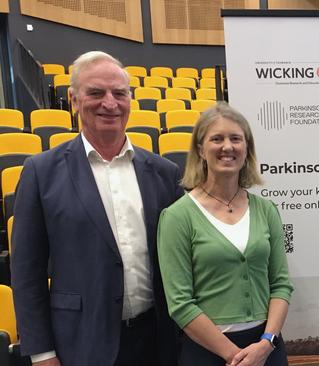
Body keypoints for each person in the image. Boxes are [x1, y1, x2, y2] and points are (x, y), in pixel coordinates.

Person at [10, 51, 184, 366]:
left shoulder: (164, 172)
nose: (110, 103)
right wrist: (42, 353)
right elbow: (27, 272)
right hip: (81, 343)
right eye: (96, 93)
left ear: (130, 100)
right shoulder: (41, 172)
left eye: (119, 93)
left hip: (157, 340)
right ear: (74, 100)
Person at [157, 102, 294, 366]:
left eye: (236, 139)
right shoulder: (177, 216)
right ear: (200, 149)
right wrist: (236, 357)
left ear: (246, 149)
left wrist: (265, 344)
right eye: (216, 139)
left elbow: (281, 285)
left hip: (267, 349)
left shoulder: (267, 210)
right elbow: (180, 303)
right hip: (207, 351)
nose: (227, 147)